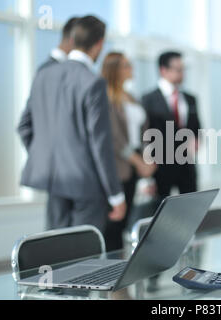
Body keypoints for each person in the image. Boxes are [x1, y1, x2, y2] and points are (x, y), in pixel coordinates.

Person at [17, 16, 126, 233]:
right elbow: (100, 143)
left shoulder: (44, 74)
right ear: (99, 44)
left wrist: (47, 158)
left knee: (55, 250)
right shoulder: (93, 82)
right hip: (86, 185)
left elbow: (24, 126)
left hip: (53, 181)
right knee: (85, 258)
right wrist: (116, 194)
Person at [101, 52, 157, 251]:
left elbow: (143, 132)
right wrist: (138, 161)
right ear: (114, 69)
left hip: (134, 164)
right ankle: (111, 274)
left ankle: (121, 270)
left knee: (126, 221)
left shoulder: (131, 97)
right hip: (118, 165)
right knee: (114, 224)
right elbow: (113, 138)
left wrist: (147, 160)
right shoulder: (106, 97)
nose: (131, 68)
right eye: (126, 65)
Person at [142, 51, 201, 201]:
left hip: (187, 166)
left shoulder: (190, 99)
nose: (182, 74)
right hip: (160, 169)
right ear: (163, 70)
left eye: (183, 69)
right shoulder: (148, 100)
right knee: (160, 214)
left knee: (191, 211)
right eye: (178, 69)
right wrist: (147, 175)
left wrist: (196, 139)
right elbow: (145, 137)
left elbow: (196, 128)